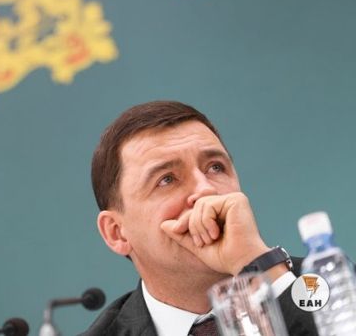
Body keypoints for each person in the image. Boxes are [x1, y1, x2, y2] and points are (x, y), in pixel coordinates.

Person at [81, 101, 317, 336]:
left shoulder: (323, 284)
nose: (206, 190)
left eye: (215, 168)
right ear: (116, 233)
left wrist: (260, 266)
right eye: (166, 179)